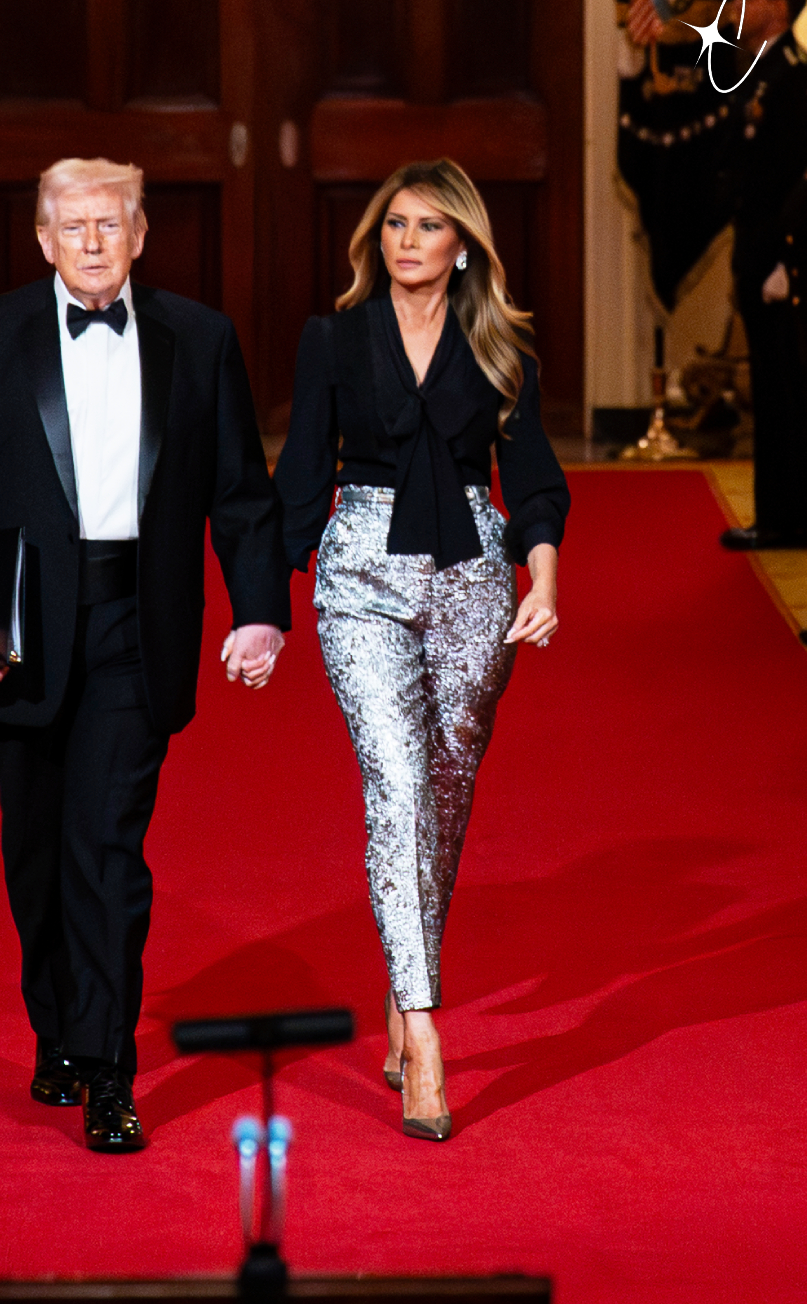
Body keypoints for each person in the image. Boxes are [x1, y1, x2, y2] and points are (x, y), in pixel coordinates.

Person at [0, 158, 290, 1151]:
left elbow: (242, 493)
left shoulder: (200, 340)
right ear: (41, 239)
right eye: (71, 225)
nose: (90, 241)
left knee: (107, 848)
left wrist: (259, 610)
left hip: (136, 618)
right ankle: (58, 1032)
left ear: (139, 234)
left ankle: (109, 1069)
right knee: (35, 850)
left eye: (109, 224)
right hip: (17, 628)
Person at [274, 159, 569, 1141]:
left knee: (441, 798)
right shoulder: (333, 339)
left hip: (477, 583)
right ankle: (427, 1032)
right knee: (397, 787)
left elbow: (531, 475)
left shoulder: (502, 344)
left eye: (428, 226)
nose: (407, 240)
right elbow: (301, 474)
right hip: (359, 578)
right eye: (393, 223)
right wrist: (258, 606)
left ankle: (405, 994)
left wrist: (546, 578)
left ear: (463, 246)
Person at [713, 0, 807, 551]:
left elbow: (798, 180)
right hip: (756, 251)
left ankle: (788, 520)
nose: (738, 2)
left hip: (779, 258)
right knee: (770, 391)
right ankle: (778, 516)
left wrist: (783, 259)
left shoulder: (793, 77)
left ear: (779, 6)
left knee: (785, 392)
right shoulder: (756, 69)